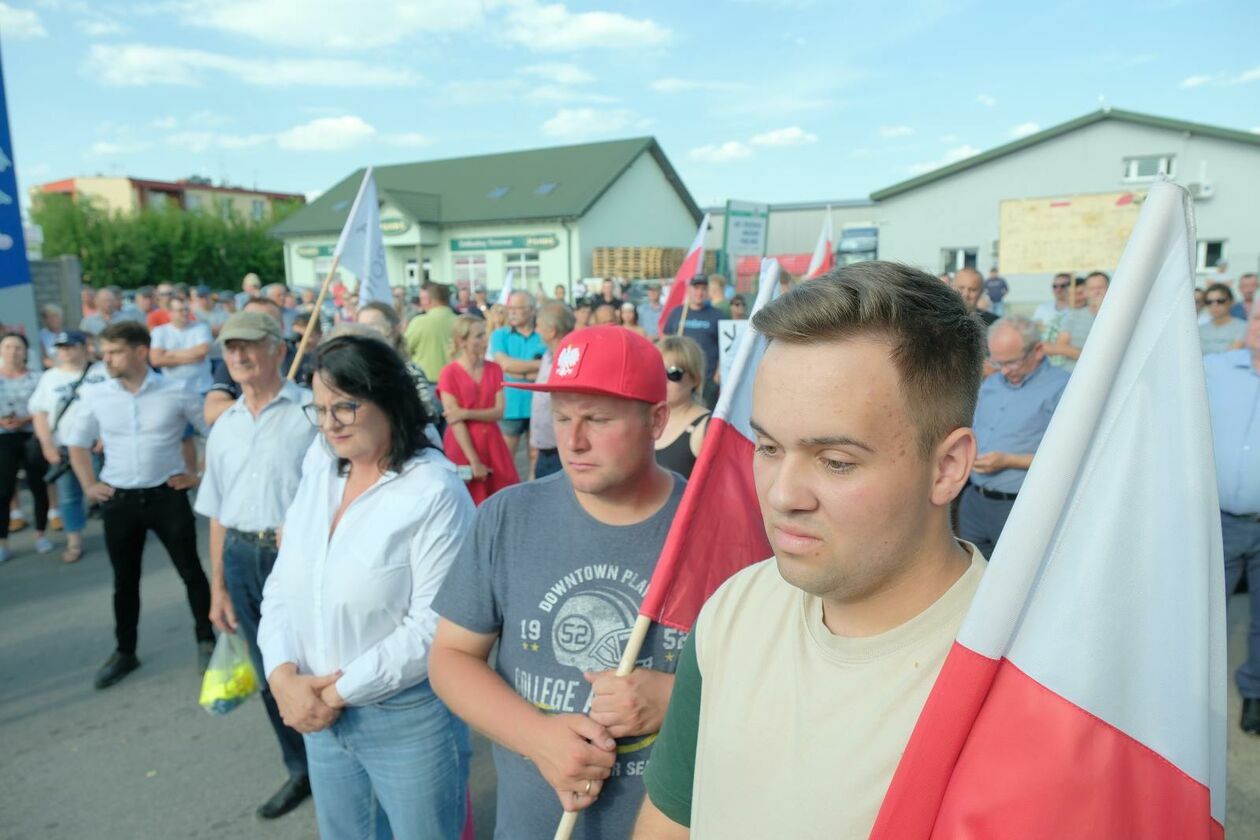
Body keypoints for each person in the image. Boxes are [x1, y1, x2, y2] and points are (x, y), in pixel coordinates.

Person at [636, 262, 988, 838]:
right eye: (769, 447)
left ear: (948, 466)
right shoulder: (734, 611)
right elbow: (671, 821)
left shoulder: (1027, 684)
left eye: (836, 462)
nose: (781, 495)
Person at [429, 325, 685, 840]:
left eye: (597, 418)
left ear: (656, 420)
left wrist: (677, 697)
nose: (573, 440)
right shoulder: (509, 516)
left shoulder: (713, 529)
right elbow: (451, 657)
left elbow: (782, 692)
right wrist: (537, 737)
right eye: (562, 416)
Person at [257, 335, 474, 840]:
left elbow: (434, 627)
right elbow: (286, 586)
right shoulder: (320, 469)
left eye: (345, 407)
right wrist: (282, 675)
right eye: (320, 409)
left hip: (406, 720)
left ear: (388, 400)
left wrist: (331, 692)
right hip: (320, 717)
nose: (329, 423)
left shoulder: (435, 491)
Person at [194, 311, 316, 820]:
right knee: (271, 673)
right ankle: (299, 768)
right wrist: (217, 587)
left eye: (250, 345)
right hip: (243, 555)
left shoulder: (312, 412)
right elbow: (219, 510)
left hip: (300, 557)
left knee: (317, 663)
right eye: (230, 349)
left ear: (279, 349)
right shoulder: (225, 426)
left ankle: (339, 763)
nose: (239, 356)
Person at [64, 320, 213, 689]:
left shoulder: (176, 391)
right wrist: (88, 485)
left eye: (115, 351)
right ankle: (125, 651)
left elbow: (214, 431)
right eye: (106, 351)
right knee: (124, 581)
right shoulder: (97, 394)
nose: (107, 359)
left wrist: (199, 476)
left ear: (140, 352)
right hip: (120, 501)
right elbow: (76, 441)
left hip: (167, 495)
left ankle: (206, 640)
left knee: (191, 571)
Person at [959, 316, 1069, 558]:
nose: (1005, 371)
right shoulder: (992, 383)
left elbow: (1070, 457)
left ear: (1038, 350)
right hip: (974, 501)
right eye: (998, 363)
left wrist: (1009, 461)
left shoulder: (1063, 388)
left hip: (1019, 507)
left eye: (1012, 363)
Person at [1204, 301, 1260, 734]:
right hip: (1219, 521)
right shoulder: (1216, 367)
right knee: (1205, 614)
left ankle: (1254, 693)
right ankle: (1197, 700)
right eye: (1258, 317)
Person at [28, 330, 108, 564]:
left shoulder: (102, 371)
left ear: (84, 347)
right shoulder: (50, 377)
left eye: (70, 346)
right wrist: (47, 445)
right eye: (61, 347)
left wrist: (108, 434)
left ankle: (122, 532)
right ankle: (74, 540)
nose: (65, 351)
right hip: (64, 447)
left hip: (98, 445)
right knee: (69, 495)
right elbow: (39, 414)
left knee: (110, 491)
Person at [438, 316, 519, 506]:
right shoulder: (449, 373)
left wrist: (466, 413)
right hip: (462, 445)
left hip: (492, 443)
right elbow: (454, 421)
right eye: (478, 336)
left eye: (485, 334)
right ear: (462, 341)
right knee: (465, 503)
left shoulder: (494, 369)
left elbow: (499, 412)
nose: (485, 340)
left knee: (503, 499)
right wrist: (473, 460)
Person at [0, 332, 52, 563]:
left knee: (38, 485)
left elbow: (46, 408)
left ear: (25, 352)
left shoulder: (38, 378)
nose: (13, 351)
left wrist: (25, 420)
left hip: (32, 436)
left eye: (17, 347)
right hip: (4, 438)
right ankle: (3, 542)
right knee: (3, 490)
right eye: (8, 347)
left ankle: (41, 533)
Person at [357, 301, 443, 424]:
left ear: (394, 329)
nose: (365, 333)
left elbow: (428, 415)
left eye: (373, 326)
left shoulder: (409, 372)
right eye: (361, 327)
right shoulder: (353, 373)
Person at [490, 291, 546, 459]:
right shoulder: (499, 334)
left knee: (536, 456)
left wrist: (516, 370)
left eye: (517, 308)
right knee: (506, 457)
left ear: (531, 310)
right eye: (510, 308)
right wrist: (541, 366)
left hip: (538, 404)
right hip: (510, 405)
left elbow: (554, 363)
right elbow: (504, 364)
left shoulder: (544, 334)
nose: (512, 312)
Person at [530, 301, 575, 480]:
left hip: (560, 451)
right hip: (545, 449)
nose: (536, 331)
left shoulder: (569, 359)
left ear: (552, 331)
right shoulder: (548, 356)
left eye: (539, 326)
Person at [654, 336, 710, 480]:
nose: (664, 379)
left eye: (673, 373)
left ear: (695, 380)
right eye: (658, 371)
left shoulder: (706, 428)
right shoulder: (642, 419)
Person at [662, 275, 723, 408]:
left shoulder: (717, 315)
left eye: (703, 288)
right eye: (696, 288)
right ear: (689, 290)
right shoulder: (677, 313)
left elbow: (724, 347)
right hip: (680, 377)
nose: (699, 292)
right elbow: (666, 342)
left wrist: (719, 371)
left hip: (707, 377)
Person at [1045, 271, 1109, 372]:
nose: (1097, 292)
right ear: (1086, 292)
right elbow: (1060, 345)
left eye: (1101, 288)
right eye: (1092, 289)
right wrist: (1093, 358)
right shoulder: (1073, 315)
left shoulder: (1120, 315)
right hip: (1073, 374)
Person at [150, 297, 214, 396]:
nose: (185, 313)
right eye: (180, 310)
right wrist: (192, 359)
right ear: (170, 312)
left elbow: (202, 351)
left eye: (187, 309)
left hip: (201, 388)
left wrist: (169, 353)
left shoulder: (201, 327)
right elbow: (156, 360)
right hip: (172, 390)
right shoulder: (159, 332)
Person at [404, 281, 459, 386]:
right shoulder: (461, 322)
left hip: (427, 384)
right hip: (456, 383)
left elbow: (403, 349)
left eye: (422, 299)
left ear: (429, 300)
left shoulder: (419, 322)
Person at [1201, 283, 1248, 355]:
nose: (1214, 305)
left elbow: (1233, 352)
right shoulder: (1200, 329)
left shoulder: (1244, 327)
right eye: (1209, 302)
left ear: (1231, 301)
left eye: (1220, 301)